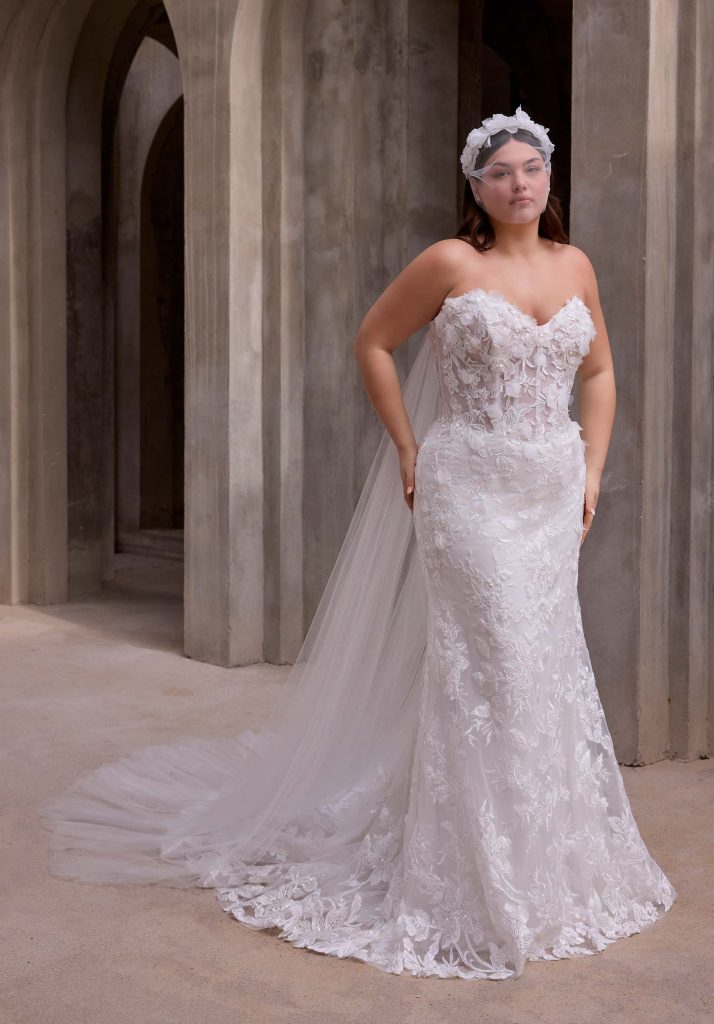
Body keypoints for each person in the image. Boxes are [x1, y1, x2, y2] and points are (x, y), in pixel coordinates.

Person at [39, 107, 676, 981]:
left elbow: (598, 370)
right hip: (470, 488)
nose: (519, 183)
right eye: (501, 173)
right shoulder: (455, 263)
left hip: (550, 492)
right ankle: (473, 879)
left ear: (549, 175)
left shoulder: (577, 266)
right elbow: (372, 341)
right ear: (476, 188)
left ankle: (547, 861)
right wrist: (411, 445)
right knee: (491, 660)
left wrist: (593, 467)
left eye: (532, 168)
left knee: (543, 662)